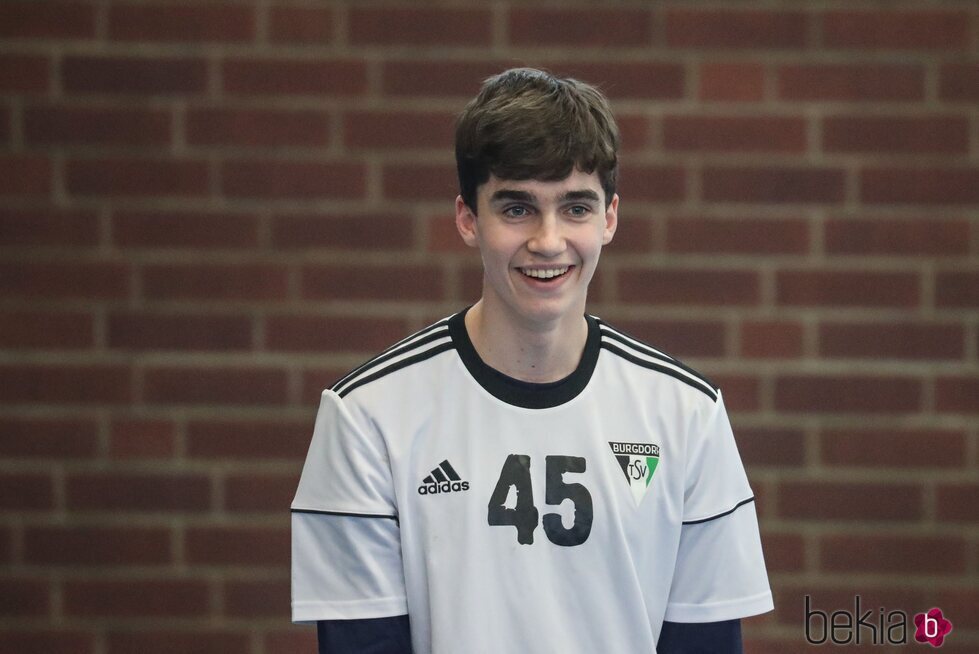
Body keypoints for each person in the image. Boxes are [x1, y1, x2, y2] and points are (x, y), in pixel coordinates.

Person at [292, 67, 773, 654]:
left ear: (610, 218)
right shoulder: (365, 418)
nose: (548, 241)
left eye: (575, 208)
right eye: (517, 209)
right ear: (468, 219)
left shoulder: (687, 416)